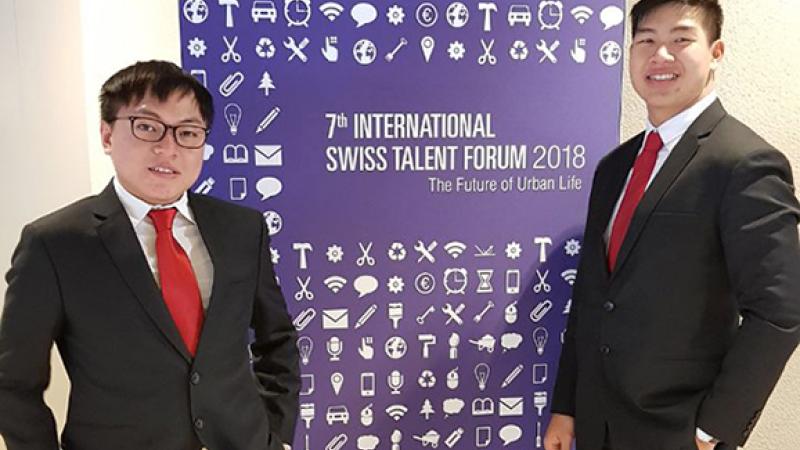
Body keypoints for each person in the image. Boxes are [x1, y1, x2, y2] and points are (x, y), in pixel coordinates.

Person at [0, 61, 300, 450]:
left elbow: (277, 339)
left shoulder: (242, 228)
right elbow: (13, 382)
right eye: (146, 127)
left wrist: (276, 435)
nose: (167, 148)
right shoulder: (55, 243)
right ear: (107, 134)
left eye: (187, 133)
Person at [544, 1, 800, 449]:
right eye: (646, 40)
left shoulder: (745, 163)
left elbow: (780, 310)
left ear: (716, 52)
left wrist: (714, 428)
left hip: (677, 431)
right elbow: (591, 296)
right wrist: (567, 406)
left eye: (680, 39)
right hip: (597, 424)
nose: (660, 55)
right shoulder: (614, 167)